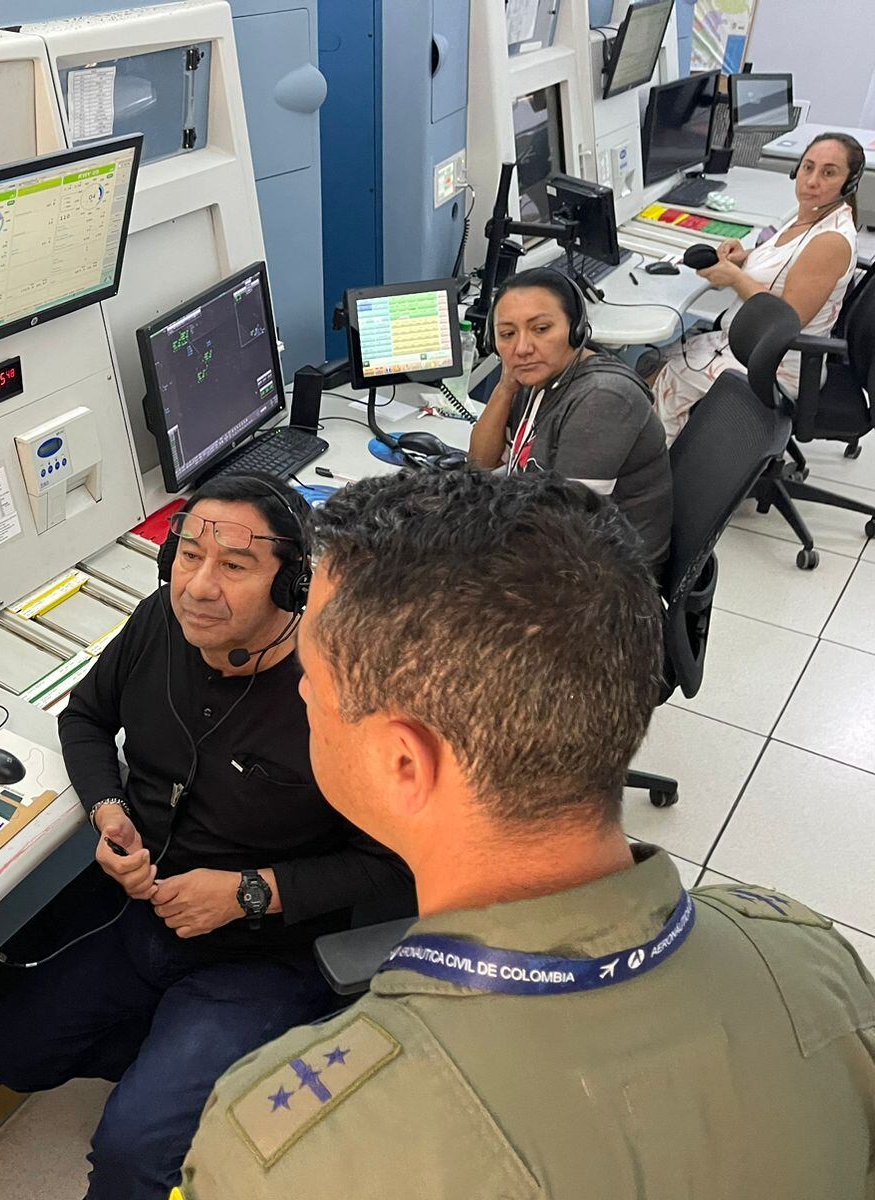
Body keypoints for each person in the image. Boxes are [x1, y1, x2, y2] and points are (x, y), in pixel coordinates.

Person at [179, 469, 875, 1199]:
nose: (300, 692)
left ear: (403, 763)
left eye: (312, 681)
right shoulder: (810, 955)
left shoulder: (289, 1154)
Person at [0, 472, 415, 1200]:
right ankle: (180, 1068)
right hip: (140, 917)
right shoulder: (162, 622)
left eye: (235, 566)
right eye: (187, 557)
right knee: (10, 1053)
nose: (199, 587)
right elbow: (84, 717)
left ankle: (189, 1081)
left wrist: (251, 892)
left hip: (262, 956)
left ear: (290, 583)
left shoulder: (341, 690)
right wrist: (106, 807)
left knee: (130, 1157)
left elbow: (395, 866)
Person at [652, 131, 864, 443]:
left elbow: (786, 320)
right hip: (749, 345)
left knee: (668, 376)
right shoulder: (811, 217)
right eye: (808, 168)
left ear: (848, 183)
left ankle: (661, 478)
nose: (813, 181)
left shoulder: (829, 240)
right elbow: (789, 263)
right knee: (656, 360)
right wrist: (745, 258)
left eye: (828, 172)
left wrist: (737, 279)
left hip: (777, 365)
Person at [469, 267, 672, 568]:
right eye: (507, 334)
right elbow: (480, 465)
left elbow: (564, 530)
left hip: (607, 576)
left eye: (541, 329)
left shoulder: (603, 398)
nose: (522, 348)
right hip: (561, 545)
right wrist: (505, 385)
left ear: (576, 329)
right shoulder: (537, 376)